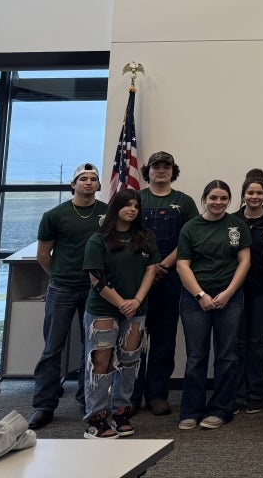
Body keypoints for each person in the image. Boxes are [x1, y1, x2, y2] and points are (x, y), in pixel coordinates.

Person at [28, 163, 109, 430]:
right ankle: (44, 404)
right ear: (73, 185)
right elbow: (43, 255)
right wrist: (59, 275)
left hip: (95, 291)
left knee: (92, 347)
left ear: (98, 186)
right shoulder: (55, 215)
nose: (88, 182)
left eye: (93, 179)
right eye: (83, 179)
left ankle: (88, 399)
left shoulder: (107, 214)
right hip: (61, 289)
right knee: (53, 347)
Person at [80, 188, 159, 439]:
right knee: (100, 363)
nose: (132, 209)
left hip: (136, 309)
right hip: (103, 310)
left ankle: (121, 412)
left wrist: (135, 300)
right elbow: (96, 278)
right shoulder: (98, 239)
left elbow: (151, 270)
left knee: (129, 362)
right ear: (116, 208)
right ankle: (96, 418)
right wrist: (121, 302)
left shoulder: (145, 237)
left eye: (136, 206)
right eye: (127, 205)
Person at [175, 179, 251, 430]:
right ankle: (191, 410)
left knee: (227, 356)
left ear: (229, 200)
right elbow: (182, 264)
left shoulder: (237, 226)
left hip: (229, 298)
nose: (218, 203)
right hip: (195, 298)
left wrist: (228, 293)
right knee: (196, 356)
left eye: (223, 198)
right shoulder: (190, 227)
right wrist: (200, 295)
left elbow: (244, 262)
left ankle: (221, 409)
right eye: (213, 198)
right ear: (204, 199)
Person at [134, 151, 199, 416]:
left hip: (170, 278)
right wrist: (148, 267)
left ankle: (157, 394)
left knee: (164, 338)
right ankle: (130, 394)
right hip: (136, 279)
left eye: (166, 167)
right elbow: (125, 232)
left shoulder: (184, 202)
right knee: (133, 338)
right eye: (156, 166)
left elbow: (190, 238)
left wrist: (164, 265)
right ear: (147, 171)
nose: (161, 170)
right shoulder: (135, 199)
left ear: (174, 171)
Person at [233, 169, 263, 415]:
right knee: (237, 344)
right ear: (243, 195)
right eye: (250, 192)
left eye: (259, 192)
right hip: (234, 293)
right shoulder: (231, 221)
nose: (254, 196)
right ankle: (237, 394)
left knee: (258, 343)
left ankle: (256, 394)